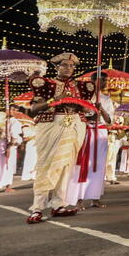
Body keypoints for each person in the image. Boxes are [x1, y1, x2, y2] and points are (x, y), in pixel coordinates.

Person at [25, 52, 94, 224]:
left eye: (72, 66)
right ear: (57, 67)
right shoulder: (45, 84)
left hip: (75, 126)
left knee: (66, 166)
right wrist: (56, 100)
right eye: (65, 65)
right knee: (46, 165)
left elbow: (87, 111)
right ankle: (37, 208)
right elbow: (34, 110)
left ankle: (58, 205)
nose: (69, 68)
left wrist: (83, 107)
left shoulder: (81, 86)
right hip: (52, 125)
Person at [66, 71, 115, 209]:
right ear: (92, 81)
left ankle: (95, 197)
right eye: (100, 80)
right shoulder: (83, 97)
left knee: (99, 166)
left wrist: (101, 110)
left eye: (105, 81)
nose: (103, 83)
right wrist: (90, 111)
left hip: (101, 133)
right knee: (83, 164)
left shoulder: (106, 99)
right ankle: (78, 198)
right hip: (85, 131)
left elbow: (109, 121)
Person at [0, 108, 23, 194]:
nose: (13, 111)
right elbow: (0, 132)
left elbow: (14, 136)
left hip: (9, 145)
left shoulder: (15, 122)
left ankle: (8, 186)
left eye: (15, 110)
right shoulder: (0, 120)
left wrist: (9, 148)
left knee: (8, 166)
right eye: (11, 109)